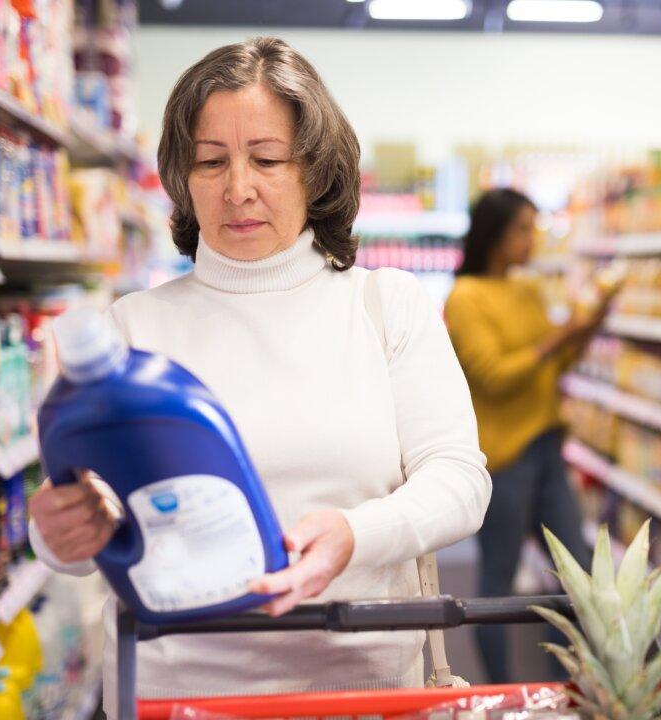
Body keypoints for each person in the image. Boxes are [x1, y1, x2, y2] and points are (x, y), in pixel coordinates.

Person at [26, 37, 491, 711]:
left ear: (317, 172)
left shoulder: (384, 306)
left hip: (362, 693)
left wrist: (356, 534)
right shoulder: (132, 330)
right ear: (182, 178)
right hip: (178, 697)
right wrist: (56, 532)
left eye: (267, 159)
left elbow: (460, 482)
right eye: (210, 161)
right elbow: (78, 528)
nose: (237, 188)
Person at [443, 188, 612, 683]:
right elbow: (495, 375)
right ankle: (499, 691)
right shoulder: (466, 298)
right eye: (523, 227)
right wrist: (558, 336)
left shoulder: (529, 289)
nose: (532, 238)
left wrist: (587, 328)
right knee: (497, 580)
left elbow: (552, 366)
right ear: (494, 235)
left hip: (545, 447)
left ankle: (566, 684)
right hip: (503, 458)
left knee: (575, 574)